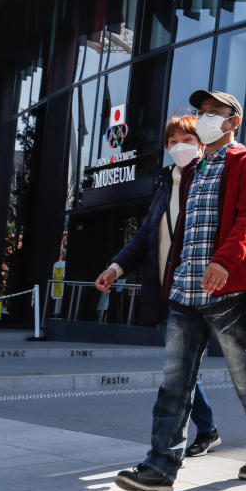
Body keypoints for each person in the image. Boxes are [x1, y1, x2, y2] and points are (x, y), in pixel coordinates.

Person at [115, 90, 246, 491]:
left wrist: (224, 261)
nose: (204, 117)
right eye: (200, 111)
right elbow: (178, 232)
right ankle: (160, 467)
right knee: (174, 383)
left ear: (233, 122)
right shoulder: (193, 170)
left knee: (245, 374)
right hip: (184, 292)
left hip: (228, 290)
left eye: (214, 112)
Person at [95, 114, 222, 458]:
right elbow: (145, 237)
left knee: (197, 368)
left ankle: (187, 444)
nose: (178, 148)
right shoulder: (166, 184)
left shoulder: (209, 178)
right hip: (171, 289)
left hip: (205, 287)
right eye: (171, 142)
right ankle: (198, 435)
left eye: (187, 141)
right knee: (180, 368)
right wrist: (116, 267)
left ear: (201, 143)